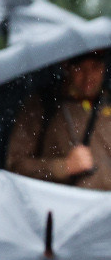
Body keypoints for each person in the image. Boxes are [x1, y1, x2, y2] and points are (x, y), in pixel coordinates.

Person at [6, 50, 110, 190]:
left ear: (104, 67)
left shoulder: (107, 101)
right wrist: (63, 167)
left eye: (95, 67)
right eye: (80, 68)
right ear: (66, 66)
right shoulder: (43, 105)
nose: (88, 76)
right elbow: (15, 165)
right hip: (63, 205)